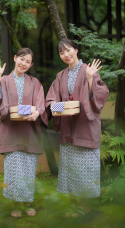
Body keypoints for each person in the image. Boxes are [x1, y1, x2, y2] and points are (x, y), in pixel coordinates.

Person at [46, 39, 109, 217]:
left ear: (76, 49)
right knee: (69, 169)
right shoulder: (60, 76)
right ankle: (73, 205)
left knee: (85, 170)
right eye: (61, 53)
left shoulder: (89, 71)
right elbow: (51, 100)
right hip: (68, 129)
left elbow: (100, 97)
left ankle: (85, 206)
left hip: (85, 129)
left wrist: (90, 78)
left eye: (68, 50)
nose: (66, 55)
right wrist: (56, 109)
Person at [0, 48, 47, 217]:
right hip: (10, 132)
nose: (24, 64)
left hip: (29, 132)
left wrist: (37, 113)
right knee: (14, 170)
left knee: (28, 169)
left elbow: (41, 103)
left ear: (31, 64)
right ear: (15, 58)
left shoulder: (35, 83)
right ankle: (15, 204)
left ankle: (27, 203)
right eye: (21, 59)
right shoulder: (4, 80)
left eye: (28, 61)